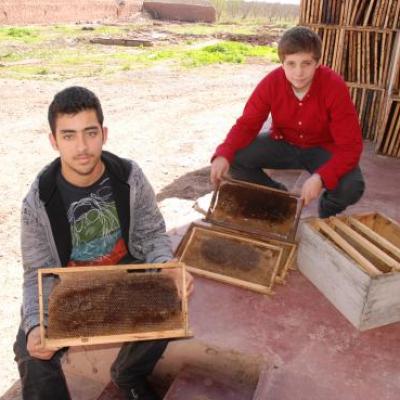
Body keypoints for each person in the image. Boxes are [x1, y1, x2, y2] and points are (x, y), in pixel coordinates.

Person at [13, 86, 193, 400]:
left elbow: (152, 235)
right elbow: (36, 273)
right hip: (69, 284)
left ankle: (129, 374)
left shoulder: (129, 176)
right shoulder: (37, 201)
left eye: (90, 133)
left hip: (125, 272)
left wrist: (167, 268)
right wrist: (34, 327)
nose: (81, 147)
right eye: (68, 136)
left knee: (172, 299)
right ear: (54, 141)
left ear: (104, 134)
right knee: (30, 351)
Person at [210, 26, 365, 218]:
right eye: (291, 63)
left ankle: (325, 216)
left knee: (352, 186)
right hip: (284, 142)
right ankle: (280, 199)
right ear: (281, 62)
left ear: (317, 62)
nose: (298, 72)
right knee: (235, 157)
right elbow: (247, 125)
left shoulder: (334, 86)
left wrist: (321, 177)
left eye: (306, 63)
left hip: (322, 148)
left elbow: (351, 147)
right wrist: (224, 153)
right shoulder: (271, 83)